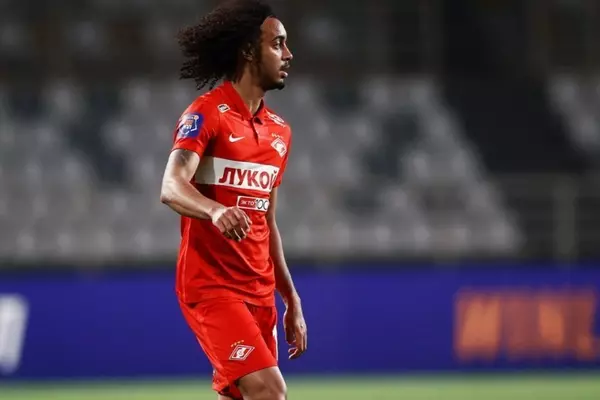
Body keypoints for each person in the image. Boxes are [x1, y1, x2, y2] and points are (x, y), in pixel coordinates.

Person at [159, 1, 306, 399]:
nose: (288, 54)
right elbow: (171, 185)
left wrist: (290, 297)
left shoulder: (280, 132)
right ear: (248, 51)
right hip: (212, 288)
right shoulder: (207, 113)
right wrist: (215, 209)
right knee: (270, 391)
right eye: (277, 44)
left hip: (260, 293)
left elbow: (267, 222)